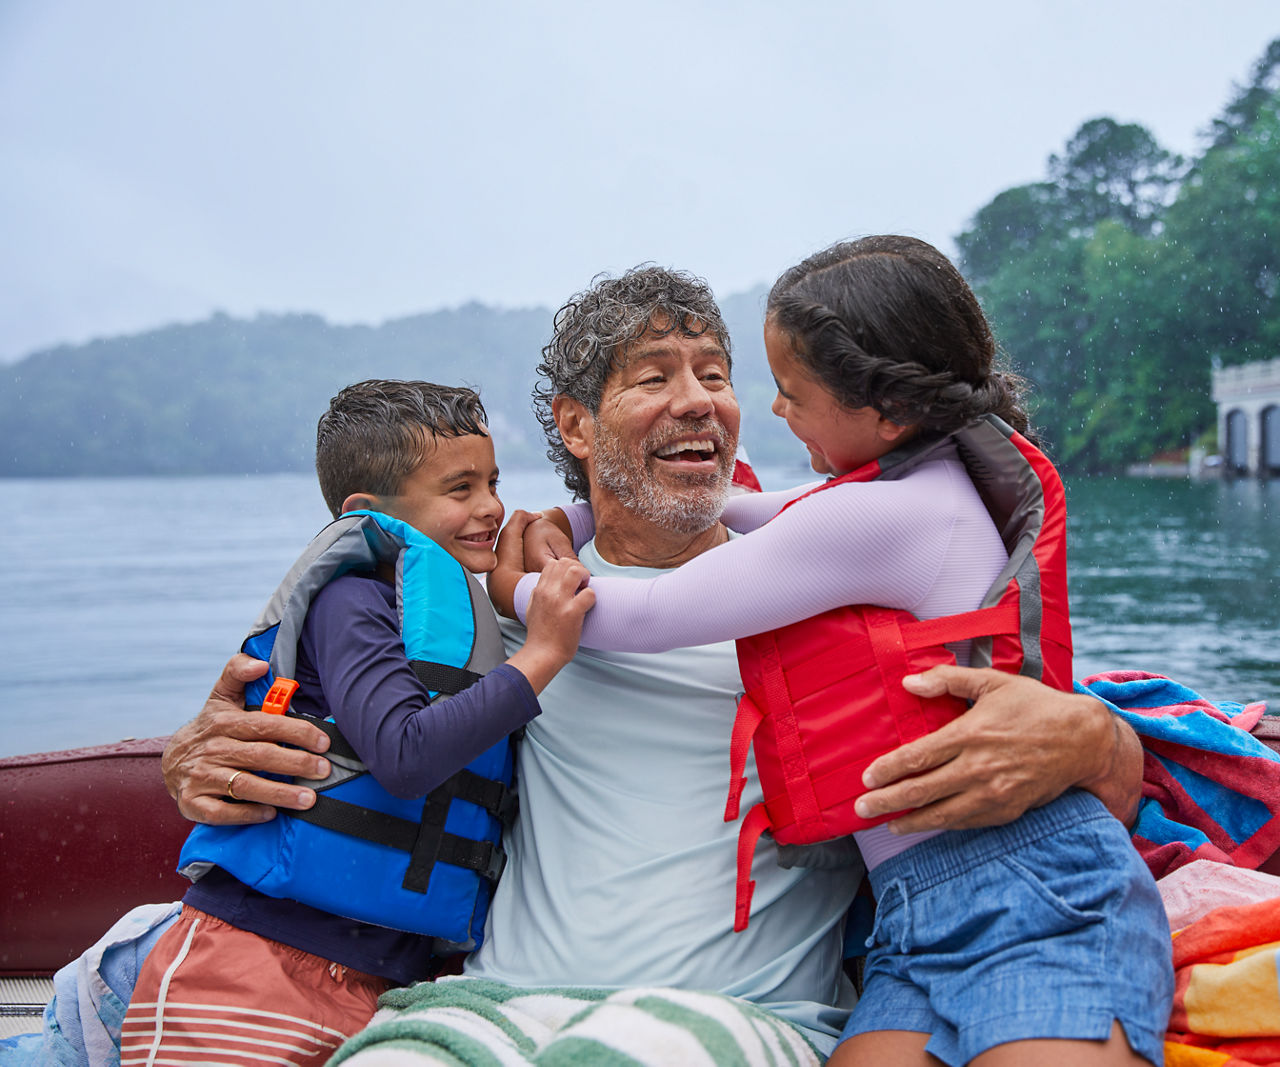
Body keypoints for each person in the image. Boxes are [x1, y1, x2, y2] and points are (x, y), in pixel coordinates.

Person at [162, 267, 1145, 1065]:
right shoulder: (485, 605)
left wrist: (1093, 733)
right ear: (576, 424)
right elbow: (336, 704)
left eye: (713, 373)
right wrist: (197, 754)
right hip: (495, 1003)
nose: (699, 401)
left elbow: (1078, 754)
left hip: (735, 1016)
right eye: (653, 375)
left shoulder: (832, 593)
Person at [493, 237, 1174, 1066]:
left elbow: (658, 607)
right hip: (914, 917)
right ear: (578, 423)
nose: (768, 413)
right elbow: (768, 507)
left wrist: (520, 591)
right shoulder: (910, 483)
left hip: (1033, 898)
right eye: (655, 376)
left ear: (881, 412)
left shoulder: (880, 518)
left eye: (786, 393)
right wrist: (579, 520)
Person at [119, 380, 593, 1066]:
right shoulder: (350, 599)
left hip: (372, 979)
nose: (490, 506)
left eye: (492, 481)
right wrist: (546, 652)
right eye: (459, 489)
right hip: (254, 962)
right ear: (366, 512)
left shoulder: (455, 615)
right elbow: (402, 758)